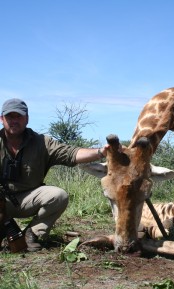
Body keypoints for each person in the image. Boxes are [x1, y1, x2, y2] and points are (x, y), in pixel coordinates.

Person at [0, 98, 109, 251]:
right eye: (10, 117)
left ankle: (31, 235)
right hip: (2, 201)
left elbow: (71, 153)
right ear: (2, 119)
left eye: (19, 116)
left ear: (27, 119)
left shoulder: (42, 142)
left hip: (29, 199)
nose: (14, 121)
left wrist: (101, 152)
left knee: (58, 195)